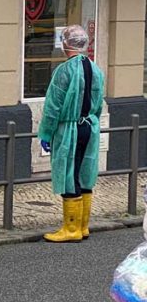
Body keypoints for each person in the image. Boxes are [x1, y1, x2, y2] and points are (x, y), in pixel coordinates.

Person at [38, 25, 104, 243]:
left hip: (70, 128)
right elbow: (98, 103)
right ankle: (83, 226)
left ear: (66, 44)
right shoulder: (95, 69)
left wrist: (46, 133)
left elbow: (53, 105)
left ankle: (71, 229)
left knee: (69, 172)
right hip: (89, 126)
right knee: (84, 173)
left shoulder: (64, 71)